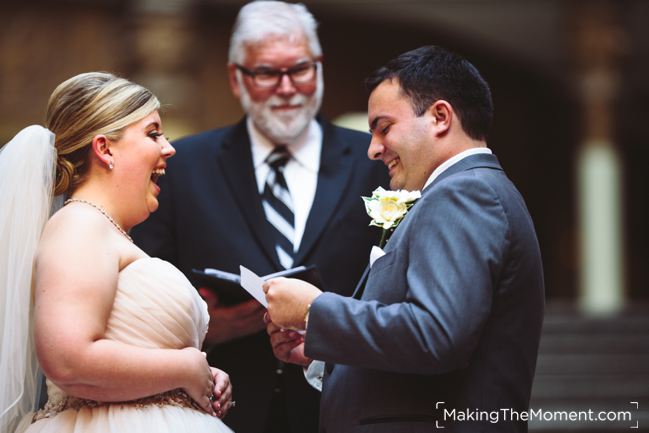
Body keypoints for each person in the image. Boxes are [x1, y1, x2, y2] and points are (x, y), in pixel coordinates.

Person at [130, 1, 388, 432]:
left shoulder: (375, 160)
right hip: (222, 410)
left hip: (346, 407)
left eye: (300, 69)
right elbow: (145, 287)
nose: (287, 87)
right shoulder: (182, 164)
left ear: (319, 67)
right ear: (237, 78)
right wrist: (210, 325)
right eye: (267, 73)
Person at [264, 45, 545, 433]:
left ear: (440, 117)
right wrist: (322, 352)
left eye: (384, 127)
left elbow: (435, 334)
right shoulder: (470, 190)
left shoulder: (463, 193)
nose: (373, 149)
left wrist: (316, 309)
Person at [0, 72, 234, 433]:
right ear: (105, 149)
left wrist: (200, 377)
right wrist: (185, 368)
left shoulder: (107, 231)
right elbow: (68, 360)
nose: (169, 148)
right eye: (153, 133)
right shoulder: (79, 224)